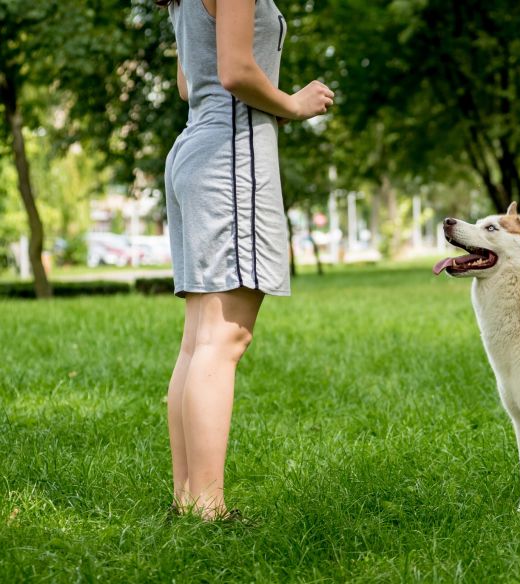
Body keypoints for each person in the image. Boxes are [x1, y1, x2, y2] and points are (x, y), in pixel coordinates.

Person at [158, 0, 334, 520]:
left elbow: (189, 85)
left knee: (199, 341)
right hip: (229, 157)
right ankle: (208, 507)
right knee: (223, 340)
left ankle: (190, 499)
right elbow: (235, 71)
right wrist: (293, 103)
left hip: (195, 148)